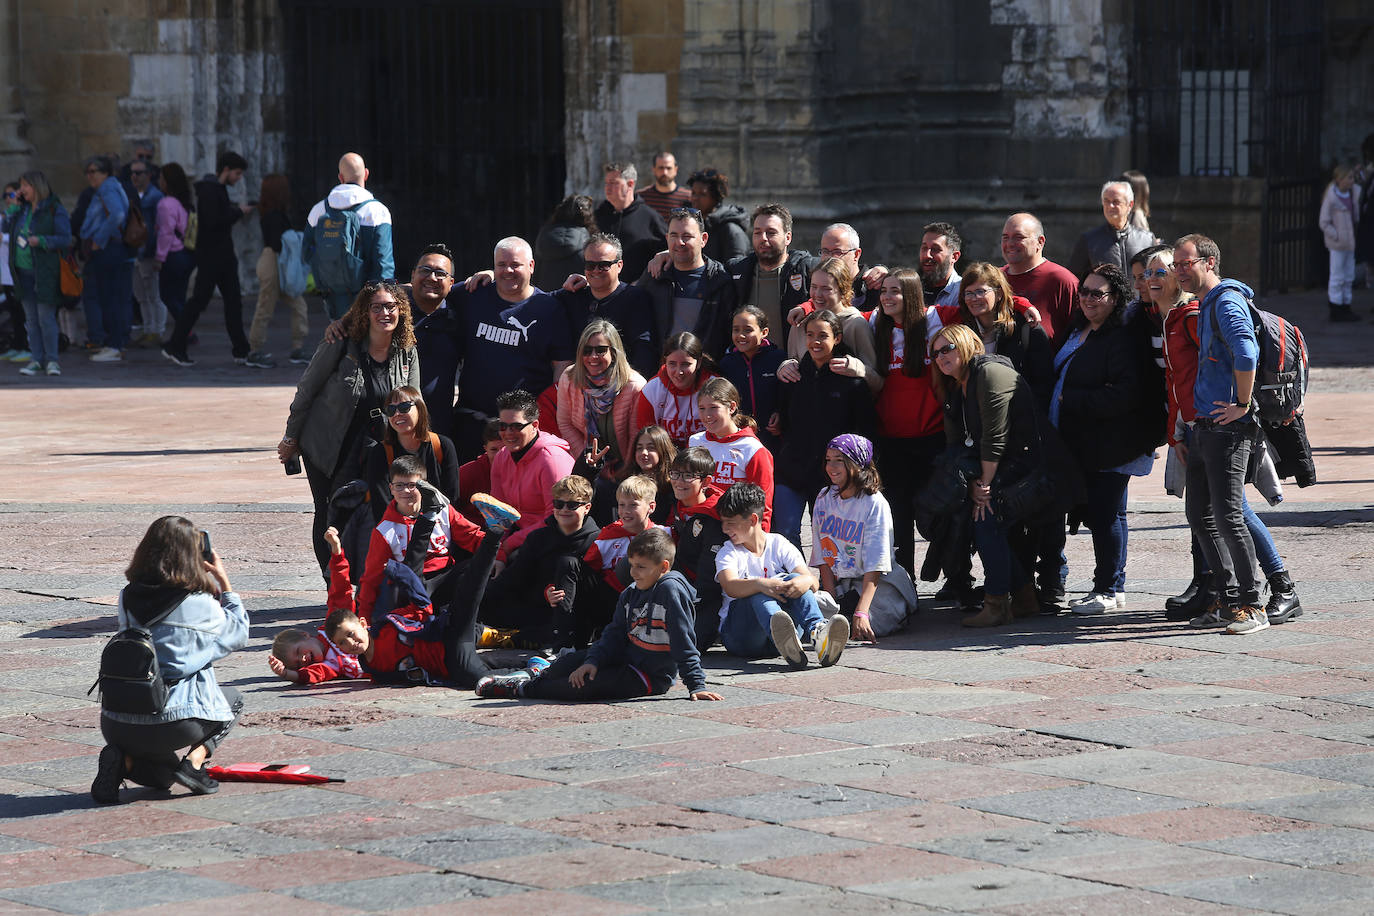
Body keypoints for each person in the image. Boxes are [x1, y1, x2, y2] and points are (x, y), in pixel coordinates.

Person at [1153, 248, 1302, 625]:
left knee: (1230, 515)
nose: (1180, 271)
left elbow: (1246, 352)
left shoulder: (1225, 301)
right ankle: (1226, 601)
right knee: (1202, 516)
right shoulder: (1204, 305)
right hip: (1203, 426)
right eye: (1177, 266)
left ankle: (1251, 604)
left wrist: (1242, 402)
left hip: (1228, 428)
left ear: (1209, 263)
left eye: (1187, 264)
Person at [92, 517, 248, 803]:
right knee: (234, 699)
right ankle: (196, 762)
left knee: (164, 779)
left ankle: (122, 761)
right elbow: (237, 635)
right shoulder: (200, 604)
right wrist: (224, 582)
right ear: (192, 556)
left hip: (117, 721)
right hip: (174, 720)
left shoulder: (127, 596)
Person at [476, 528, 722, 701]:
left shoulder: (670, 591)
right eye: (632, 564)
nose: (634, 573)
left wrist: (696, 684)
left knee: (578, 687)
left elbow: (683, 640)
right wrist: (593, 661)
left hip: (648, 675)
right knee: (572, 662)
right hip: (625, 657)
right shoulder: (631, 592)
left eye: (641, 567)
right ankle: (538, 673)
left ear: (664, 567)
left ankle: (521, 688)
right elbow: (614, 634)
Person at [279, 280, 421, 577]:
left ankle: (366, 580)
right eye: (377, 307)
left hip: (375, 445)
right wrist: (291, 437)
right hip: (328, 442)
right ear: (364, 313)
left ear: (401, 311)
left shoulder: (406, 350)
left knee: (372, 509)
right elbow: (307, 389)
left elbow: (414, 401)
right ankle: (334, 586)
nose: (385, 313)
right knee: (329, 511)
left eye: (391, 306)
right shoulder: (341, 342)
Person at [325, 494, 521, 690]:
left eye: (350, 634)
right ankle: (536, 668)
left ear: (362, 623)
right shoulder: (372, 669)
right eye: (342, 642)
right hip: (450, 665)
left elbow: (422, 607)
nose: (350, 642)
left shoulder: (387, 626)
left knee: (471, 590)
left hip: (450, 634)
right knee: (482, 681)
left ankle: (494, 529)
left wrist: (398, 571)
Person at [1051, 263, 1157, 616]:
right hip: (1084, 440)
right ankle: (1114, 586)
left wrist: (1073, 399)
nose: (1088, 299)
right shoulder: (1080, 328)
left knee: (1106, 514)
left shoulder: (1120, 338)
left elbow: (1126, 394)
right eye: (1084, 292)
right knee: (1109, 512)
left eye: (1098, 293)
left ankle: (1107, 589)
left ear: (1116, 299)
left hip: (1113, 441)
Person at [929, 323, 1043, 628]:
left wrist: (984, 486)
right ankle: (1024, 597)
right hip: (996, 467)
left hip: (1026, 467)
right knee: (974, 515)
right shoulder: (956, 386)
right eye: (936, 353)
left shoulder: (988, 373)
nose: (941, 357)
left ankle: (997, 603)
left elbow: (996, 437)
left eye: (947, 348)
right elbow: (957, 445)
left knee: (985, 517)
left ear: (966, 344)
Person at [447, 236, 573, 458]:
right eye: (501, 265)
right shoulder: (473, 294)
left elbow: (561, 367)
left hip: (521, 428)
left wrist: (550, 417)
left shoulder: (549, 309)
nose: (508, 271)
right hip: (472, 420)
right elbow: (431, 294)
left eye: (516, 265)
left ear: (531, 266)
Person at [769, 309, 878, 552]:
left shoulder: (853, 382)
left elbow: (866, 431)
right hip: (793, 470)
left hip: (833, 476)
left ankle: (834, 588)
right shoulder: (793, 376)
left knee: (831, 539)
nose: (815, 342)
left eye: (822, 335)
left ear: (837, 338)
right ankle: (797, 586)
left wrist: (861, 472)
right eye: (810, 335)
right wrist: (777, 420)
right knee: (785, 534)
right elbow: (784, 416)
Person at [715, 482, 848, 668]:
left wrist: (803, 582)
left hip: (782, 639)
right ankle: (781, 633)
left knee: (794, 579)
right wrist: (761, 584)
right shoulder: (728, 552)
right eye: (723, 522)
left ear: (753, 520)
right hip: (742, 638)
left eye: (731, 523)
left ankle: (817, 633)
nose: (724, 529)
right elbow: (729, 585)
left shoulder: (779, 543)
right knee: (758, 588)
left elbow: (810, 581)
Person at [871, 268, 945, 578]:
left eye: (895, 291)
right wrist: (806, 307)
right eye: (884, 291)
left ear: (912, 294)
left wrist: (1022, 304)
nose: (887, 297)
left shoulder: (936, 318)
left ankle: (953, 575)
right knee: (898, 518)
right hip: (892, 442)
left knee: (939, 513)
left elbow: (985, 299)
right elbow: (836, 310)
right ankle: (905, 584)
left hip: (933, 438)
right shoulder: (875, 323)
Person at [811, 434, 917, 642]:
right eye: (828, 460)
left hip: (877, 585)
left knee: (860, 624)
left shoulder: (874, 504)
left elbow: (875, 566)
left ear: (856, 464)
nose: (831, 467)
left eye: (839, 460)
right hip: (839, 582)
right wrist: (831, 601)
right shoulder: (824, 498)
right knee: (808, 607)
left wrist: (862, 612)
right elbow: (824, 557)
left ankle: (830, 629)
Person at [479, 474, 600, 650]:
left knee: (567, 564)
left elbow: (595, 590)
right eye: (559, 504)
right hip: (538, 606)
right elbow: (514, 578)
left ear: (587, 508)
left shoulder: (597, 541)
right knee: (483, 597)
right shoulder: (539, 537)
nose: (564, 509)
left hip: (575, 613)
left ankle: (536, 640)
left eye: (572, 505)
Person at [356, 455, 485, 619]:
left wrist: (499, 555)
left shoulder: (443, 511)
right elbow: (371, 577)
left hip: (444, 577)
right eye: (399, 486)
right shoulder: (385, 530)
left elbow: (473, 536)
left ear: (424, 486)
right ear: (391, 488)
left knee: (474, 569)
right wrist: (364, 618)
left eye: (412, 485)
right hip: (411, 586)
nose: (406, 491)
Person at [162, 151, 254, 367]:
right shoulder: (210, 191)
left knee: (233, 303)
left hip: (223, 257)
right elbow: (213, 222)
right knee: (199, 302)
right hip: (212, 257)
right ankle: (176, 345)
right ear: (226, 170)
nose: (238, 178)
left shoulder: (216, 190)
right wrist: (238, 212)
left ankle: (241, 350)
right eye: (237, 173)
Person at [636, 207, 738, 359]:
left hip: (706, 374)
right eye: (674, 235)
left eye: (687, 236)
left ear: (703, 239)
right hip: (660, 374)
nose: (679, 242)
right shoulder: (654, 275)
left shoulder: (721, 280)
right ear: (666, 238)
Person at [268, 529, 366, 685]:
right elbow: (311, 675)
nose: (303, 659)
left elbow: (340, 592)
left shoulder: (333, 627)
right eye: (298, 664)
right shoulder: (330, 664)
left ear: (305, 635)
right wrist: (286, 674)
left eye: (299, 651)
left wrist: (337, 553)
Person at [556, 319, 647, 484]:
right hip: (586, 463)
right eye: (587, 350)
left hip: (626, 469)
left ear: (613, 352)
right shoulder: (569, 378)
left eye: (600, 350)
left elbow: (637, 436)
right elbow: (565, 423)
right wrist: (587, 460)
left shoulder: (635, 386)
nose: (593, 357)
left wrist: (622, 471)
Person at [488, 388, 576, 560]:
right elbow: (498, 512)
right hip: (516, 535)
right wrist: (498, 551)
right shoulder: (501, 457)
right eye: (503, 426)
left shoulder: (552, 460)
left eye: (516, 426)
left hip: (552, 539)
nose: (507, 433)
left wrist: (509, 544)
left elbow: (557, 519)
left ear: (535, 425)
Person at [305, 152, 395, 320]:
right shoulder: (377, 211)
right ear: (366, 174)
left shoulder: (318, 210)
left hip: (332, 296)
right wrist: (383, 301)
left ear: (340, 177)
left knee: (339, 339)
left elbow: (307, 253)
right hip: (367, 300)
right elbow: (384, 263)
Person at [553, 233, 656, 377]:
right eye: (590, 265)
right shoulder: (573, 295)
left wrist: (634, 389)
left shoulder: (635, 298)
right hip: (579, 386)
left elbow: (644, 351)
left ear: (619, 266)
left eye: (604, 265)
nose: (596, 270)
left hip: (621, 386)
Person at [780, 258, 882, 394]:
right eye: (814, 287)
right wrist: (785, 367)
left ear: (843, 290)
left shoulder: (856, 324)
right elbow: (793, 362)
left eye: (826, 289)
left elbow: (878, 383)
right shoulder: (800, 324)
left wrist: (858, 369)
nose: (817, 295)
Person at [956, 262, 1054, 402]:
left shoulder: (1027, 329)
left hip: (1018, 415)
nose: (974, 298)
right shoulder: (961, 331)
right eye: (968, 293)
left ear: (999, 294)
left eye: (981, 291)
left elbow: (1044, 384)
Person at [581, 475, 668, 626]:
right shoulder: (606, 537)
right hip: (612, 604)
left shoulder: (665, 535)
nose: (626, 511)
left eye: (633, 505)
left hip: (651, 601)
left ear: (651, 507)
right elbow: (587, 575)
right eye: (621, 505)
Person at [8, 170, 70, 377]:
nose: (22, 190)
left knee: (46, 318)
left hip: (44, 271)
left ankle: (52, 360)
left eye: (26, 185)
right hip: (22, 271)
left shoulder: (54, 209)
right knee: (31, 320)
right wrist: (13, 208)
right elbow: (9, 227)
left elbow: (65, 238)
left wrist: (42, 241)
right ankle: (36, 358)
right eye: (21, 185)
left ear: (37, 186)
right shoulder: (22, 210)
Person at [243, 173, 309, 368]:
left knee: (298, 305)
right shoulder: (273, 215)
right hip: (273, 262)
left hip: (275, 261)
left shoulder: (272, 213)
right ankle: (255, 351)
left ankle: (297, 347)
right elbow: (276, 243)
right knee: (266, 307)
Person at [689, 377, 774, 527]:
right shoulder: (695, 442)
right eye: (702, 408)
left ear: (732, 407)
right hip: (699, 526)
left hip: (736, 529)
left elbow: (763, 506)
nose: (707, 415)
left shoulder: (753, 449)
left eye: (713, 408)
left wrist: (757, 544)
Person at [726, 204, 813, 350]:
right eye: (757, 232)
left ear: (788, 237)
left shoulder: (807, 271)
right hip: (748, 367)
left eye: (771, 232)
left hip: (793, 367)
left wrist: (865, 273)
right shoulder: (736, 271)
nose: (763, 238)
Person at [364, 386, 460, 515]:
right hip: (396, 527)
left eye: (404, 407)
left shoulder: (442, 445)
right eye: (391, 410)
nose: (397, 414)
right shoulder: (380, 452)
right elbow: (381, 505)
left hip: (438, 524)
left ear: (420, 408)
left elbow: (452, 498)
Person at [669, 446, 728, 649]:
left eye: (687, 476)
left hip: (710, 595)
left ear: (706, 482)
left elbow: (709, 577)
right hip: (680, 582)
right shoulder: (678, 504)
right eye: (675, 473)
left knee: (690, 643)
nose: (678, 481)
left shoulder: (714, 517)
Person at [79, 154, 135, 363]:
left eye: (94, 171)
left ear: (105, 173)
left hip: (109, 249)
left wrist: (99, 240)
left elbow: (118, 215)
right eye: (88, 172)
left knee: (111, 298)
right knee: (109, 297)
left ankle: (114, 344)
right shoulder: (109, 187)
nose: (90, 176)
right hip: (109, 249)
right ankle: (114, 343)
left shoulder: (108, 188)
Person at [1000, 212, 1079, 344]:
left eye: (1018, 237)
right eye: (1005, 237)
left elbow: (1081, 333)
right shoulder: (994, 279)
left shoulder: (1062, 280)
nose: (1010, 244)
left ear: (1040, 242)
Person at [718, 305, 785, 452]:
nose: (741, 335)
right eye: (736, 330)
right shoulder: (727, 364)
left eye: (748, 330)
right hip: (740, 440)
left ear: (764, 332)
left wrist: (782, 414)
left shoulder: (779, 359)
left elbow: (789, 395)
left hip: (774, 439)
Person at [585, 424, 677, 527]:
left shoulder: (674, 486)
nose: (644, 452)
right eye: (639, 448)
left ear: (663, 451)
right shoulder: (621, 483)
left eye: (651, 448)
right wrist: (591, 469)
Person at [635, 331, 717, 447]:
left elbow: (722, 435)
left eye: (685, 364)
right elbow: (646, 440)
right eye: (672, 364)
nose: (679, 372)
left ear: (698, 363)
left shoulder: (714, 387)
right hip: (665, 459)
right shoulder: (652, 390)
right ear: (665, 362)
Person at [1067, 180, 1158, 280]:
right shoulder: (1089, 240)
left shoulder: (1147, 239)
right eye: (1106, 201)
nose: (1110, 206)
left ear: (1130, 205)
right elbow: (1074, 279)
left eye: (1116, 202)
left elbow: (1156, 276)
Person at [595, 162, 666, 281]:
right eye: (606, 183)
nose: (607, 187)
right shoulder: (597, 216)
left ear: (630, 184)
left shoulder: (650, 217)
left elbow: (668, 252)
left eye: (613, 183)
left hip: (638, 292)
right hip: (600, 291)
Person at [127, 156, 165, 348]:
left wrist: (158, 254)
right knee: (141, 294)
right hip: (135, 251)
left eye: (139, 173)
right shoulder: (133, 195)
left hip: (147, 252)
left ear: (148, 175)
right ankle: (149, 328)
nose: (135, 176)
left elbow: (156, 228)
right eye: (132, 172)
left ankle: (157, 330)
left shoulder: (155, 197)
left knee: (153, 293)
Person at [153, 163, 195, 333]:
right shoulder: (183, 203)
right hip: (188, 254)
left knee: (168, 296)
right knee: (180, 297)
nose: (159, 181)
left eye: (162, 178)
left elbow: (166, 232)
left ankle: (187, 330)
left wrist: (159, 257)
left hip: (173, 254)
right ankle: (183, 333)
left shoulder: (166, 203)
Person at [1319, 163, 1361, 323]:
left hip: (1350, 242)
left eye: (1352, 177)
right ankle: (1336, 306)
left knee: (1348, 275)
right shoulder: (1332, 198)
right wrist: (1336, 235)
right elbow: (1324, 222)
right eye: (1349, 177)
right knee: (1337, 276)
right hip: (1338, 244)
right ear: (1339, 179)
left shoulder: (1353, 194)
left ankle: (1346, 304)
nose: (1352, 181)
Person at [533, 194, 596, 293]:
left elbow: (534, 276)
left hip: (544, 300)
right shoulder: (588, 243)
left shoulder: (543, 236)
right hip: (576, 300)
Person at [687, 168, 750, 265]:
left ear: (715, 197)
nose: (695, 198)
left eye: (702, 194)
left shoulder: (731, 230)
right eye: (693, 193)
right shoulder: (696, 224)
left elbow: (737, 270)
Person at [919, 222, 964, 307]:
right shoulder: (910, 289)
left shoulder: (965, 293)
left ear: (954, 257)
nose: (927, 255)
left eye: (935, 249)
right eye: (924, 248)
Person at [638, 151, 692, 219]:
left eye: (668, 168)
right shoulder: (641, 197)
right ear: (654, 170)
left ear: (676, 170)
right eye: (661, 168)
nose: (665, 173)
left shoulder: (688, 197)